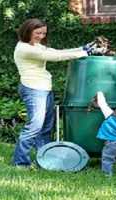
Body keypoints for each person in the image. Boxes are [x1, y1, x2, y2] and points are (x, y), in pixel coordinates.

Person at [12, 18, 105, 167]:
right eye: (38, 33)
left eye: (44, 33)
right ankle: (20, 162)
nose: (41, 36)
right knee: (35, 126)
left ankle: (45, 159)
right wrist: (85, 52)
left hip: (44, 88)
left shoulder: (36, 45)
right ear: (28, 31)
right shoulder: (25, 48)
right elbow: (55, 57)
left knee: (46, 127)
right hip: (33, 89)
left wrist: (82, 48)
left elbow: (56, 52)